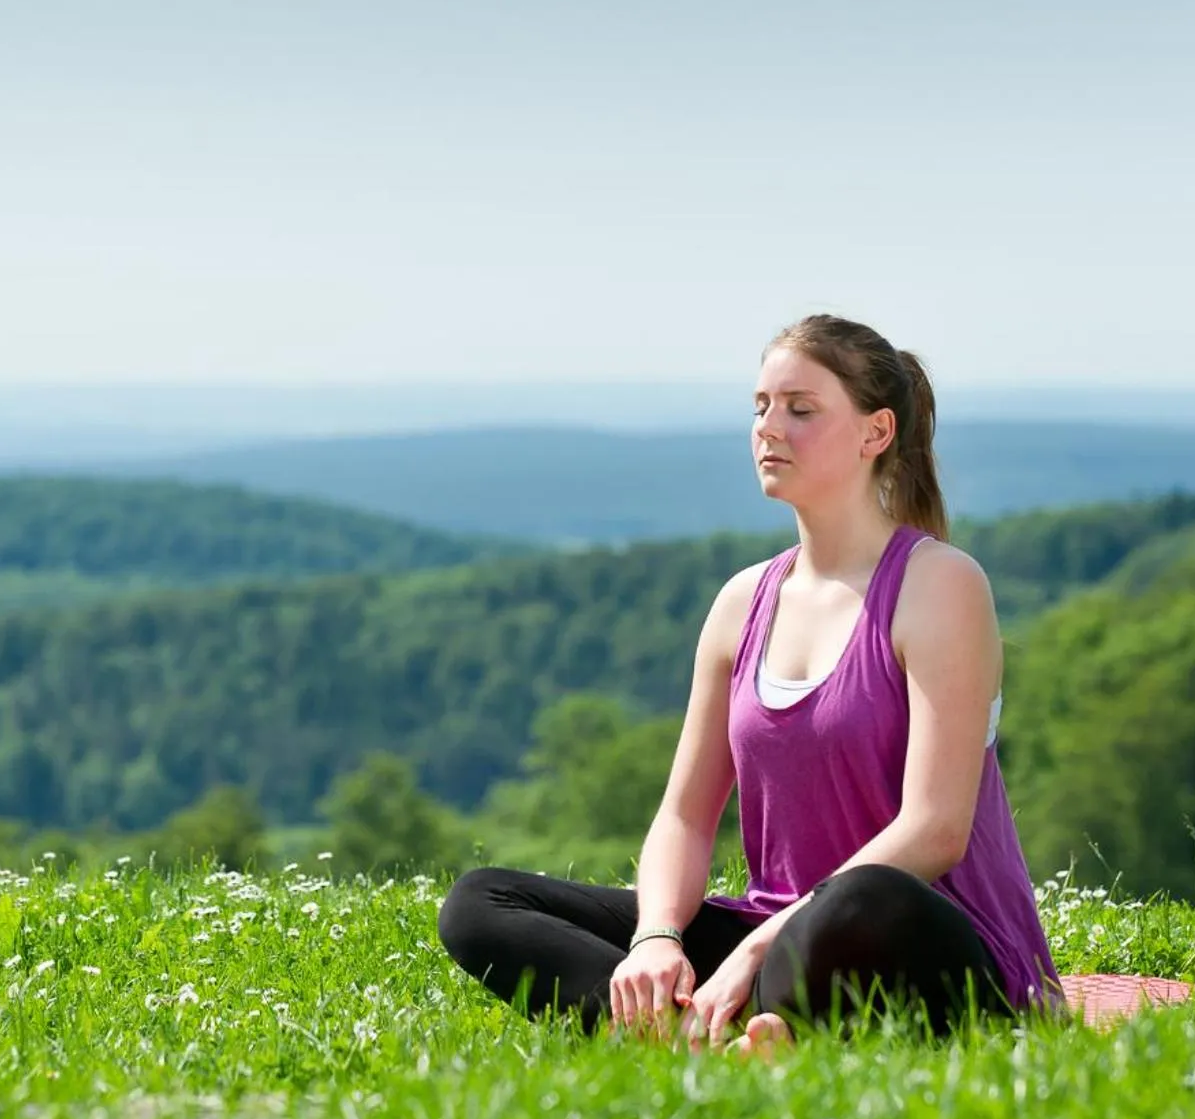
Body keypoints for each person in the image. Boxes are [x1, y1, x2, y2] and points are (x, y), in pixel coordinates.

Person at [437, 314, 1063, 1054]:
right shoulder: (743, 603)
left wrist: (757, 948)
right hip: (773, 935)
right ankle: (714, 1032)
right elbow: (685, 817)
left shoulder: (938, 586)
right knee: (482, 902)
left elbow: (935, 830)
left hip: (918, 938)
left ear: (876, 433)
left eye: (801, 410)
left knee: (864, 900)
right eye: (761, 407)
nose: (770, 428)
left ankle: (724, 1023)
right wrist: (656, 939)